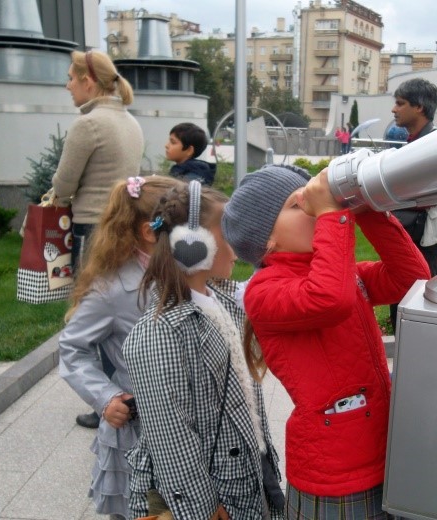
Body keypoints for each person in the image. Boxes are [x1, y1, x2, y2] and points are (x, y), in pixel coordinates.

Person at [221, 165, 430, 518]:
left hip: (381, 448)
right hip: (335, 472)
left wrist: (369, 212)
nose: (311, 203)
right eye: (295, 204)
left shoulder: (339, 272)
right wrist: (333, 216)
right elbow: (329, 299)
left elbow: (412, 279)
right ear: (267, 241)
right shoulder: (265, 290)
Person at [122, 181, 283, 520]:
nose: (237, 246)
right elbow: (172, 438)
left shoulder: (221, 298)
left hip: (249, 471)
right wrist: (204, 508)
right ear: (194, 245)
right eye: (228, 233)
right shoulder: (160, 333)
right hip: (207, 496)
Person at [58, 175, 184, 520]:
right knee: (141, 508)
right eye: (187, 227)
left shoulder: (185, 271)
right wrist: (106, 397)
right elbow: (72, 348)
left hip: (187, 423)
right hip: (140, 429)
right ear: (149, 232)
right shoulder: (113, 290)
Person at [52, 49, 144, 273]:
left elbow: (63, 185)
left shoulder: (88, 124)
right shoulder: (131, 122)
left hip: (92, 227)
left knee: (86, 300)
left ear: (88, 81)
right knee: (115, 297)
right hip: (124, 224)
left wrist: (60, 195)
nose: (68, 86)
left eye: (71, 78)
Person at [388, 77, 437, 332]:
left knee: (414, 304)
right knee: (401, 300)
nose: (394, 109)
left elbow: (432, 191)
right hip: (412, 234)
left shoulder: (435, 144)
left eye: (400, 103)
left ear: (419, 107)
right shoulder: (417, 141)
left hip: (425, 239)